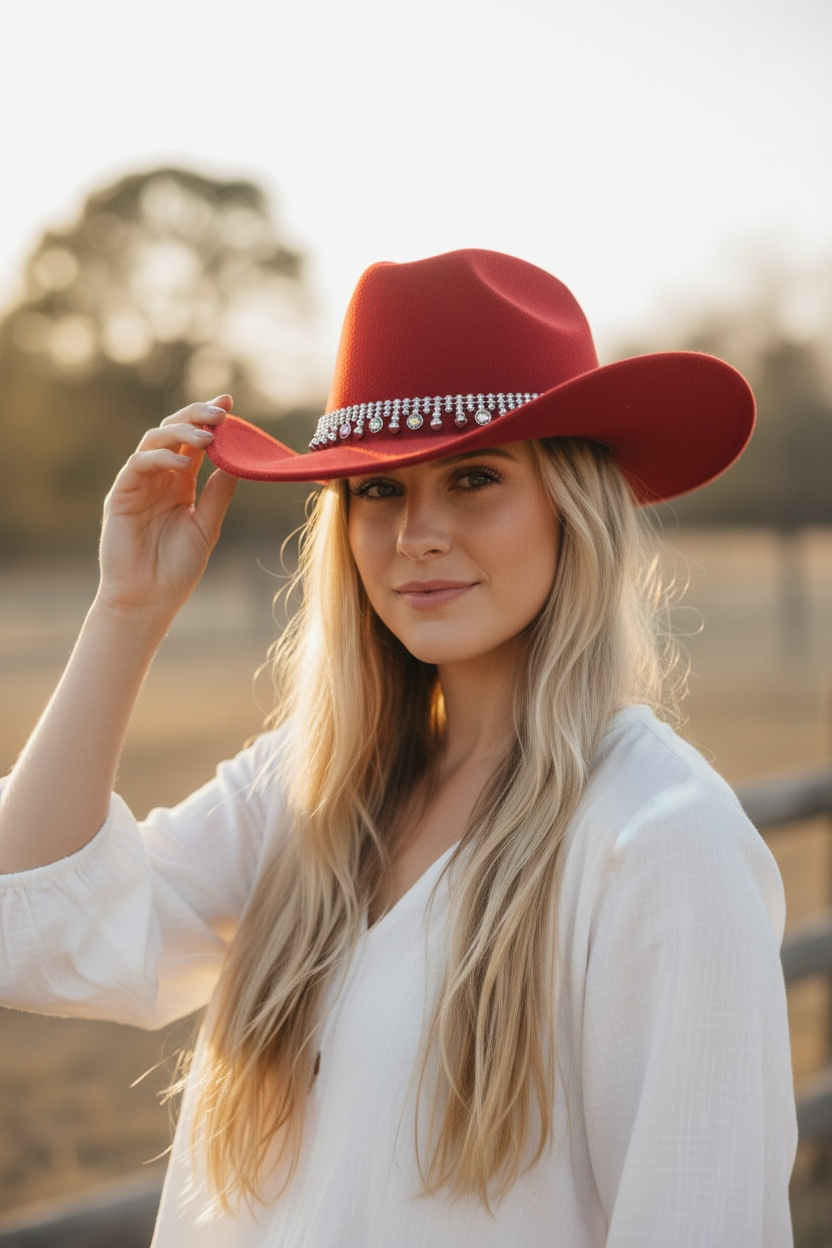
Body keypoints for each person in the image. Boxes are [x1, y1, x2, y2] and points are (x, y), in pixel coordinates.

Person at [0, 249, 796, 1246]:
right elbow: (34, 933)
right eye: (376, 490)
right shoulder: (303, 786)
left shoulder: (659, 840)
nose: (417, 533)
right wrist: (125, 614)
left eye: (473, 477)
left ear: (572, 505)